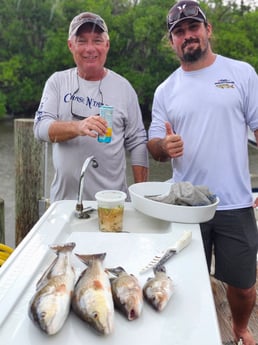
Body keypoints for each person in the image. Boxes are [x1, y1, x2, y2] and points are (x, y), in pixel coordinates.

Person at [147, 1, 258, 344]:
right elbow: (153, 145)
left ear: (208, 30)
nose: (187, 35)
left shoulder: (242, 73)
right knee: (183, 281)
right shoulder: (165, 90)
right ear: (172, 42)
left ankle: (239, 328)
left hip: (235, 201)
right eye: (179, 32)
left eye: (193, 27)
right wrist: (165, 147)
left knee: (244, 285)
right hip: (185, 205)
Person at [34, 12, 148, 202]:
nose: (90, 49)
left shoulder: (124, 88)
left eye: (97, 40)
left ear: (107, 45)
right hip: (64, 205)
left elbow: (137, 142)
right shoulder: (57, 82)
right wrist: (77, 127)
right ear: (71, 45)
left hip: (113, 204)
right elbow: (40, 129)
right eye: (82, 41)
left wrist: (141, 197)